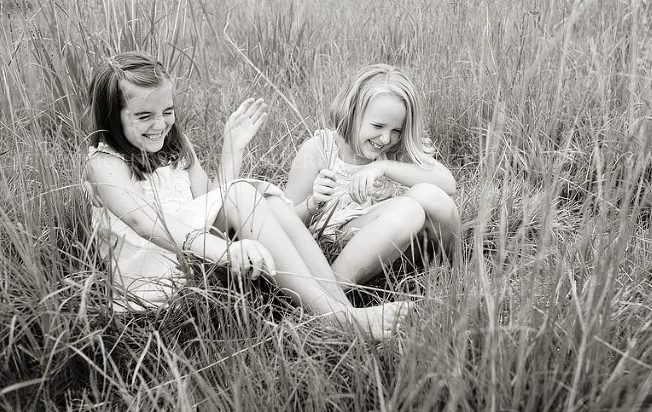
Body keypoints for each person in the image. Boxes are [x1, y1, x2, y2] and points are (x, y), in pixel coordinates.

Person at [84, 51, 408, 339]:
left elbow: (213, 202)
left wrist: (232, 149)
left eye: (167, 111)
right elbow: (143, 222)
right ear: (112, 116)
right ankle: (337, 317)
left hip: (195, 257)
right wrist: (226, 251)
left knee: (260, 199)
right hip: (149, 271)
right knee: (244, 194)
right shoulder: (105, 162)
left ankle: (340, 309)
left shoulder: (175, 144)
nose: (160, 124)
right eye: (144, 116)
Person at [285, 64, 461, 288]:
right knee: (409, 209)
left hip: (396, 252)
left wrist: (384, 167)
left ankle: (450, 274)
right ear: (352, 112)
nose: (386, 139)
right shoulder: (320, 150)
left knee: (430, 195)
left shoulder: (392, 153)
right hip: (339, 253)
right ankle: (327, 293)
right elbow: (284, 222)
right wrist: (313, 204)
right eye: (377, 125)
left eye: (396, 130)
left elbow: (448, 184)